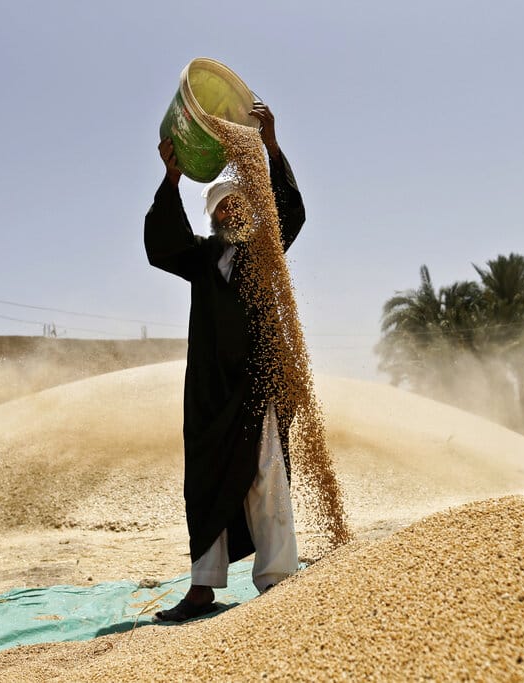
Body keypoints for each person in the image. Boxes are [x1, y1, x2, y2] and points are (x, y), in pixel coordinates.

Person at [145, 100, 306, 622]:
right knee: (206, 485)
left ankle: (278, 577)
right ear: (213, 217)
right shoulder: (198, 258)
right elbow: (159, 244)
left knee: (266, 475)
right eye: (222, 209)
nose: (231, 213)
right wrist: (171, 181)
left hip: (258, 384)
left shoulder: (265, 254)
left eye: (238, 206)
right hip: (211, 391)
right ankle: (203, 588)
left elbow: (292, 213)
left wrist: (270, 146)